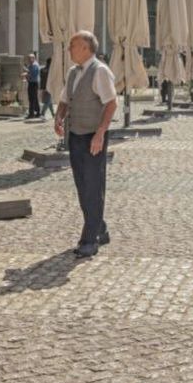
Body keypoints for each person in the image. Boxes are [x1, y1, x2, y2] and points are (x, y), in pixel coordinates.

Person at [55, 31, 118, 258]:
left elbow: (111, 104)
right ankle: (100, 228)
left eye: (73, 45)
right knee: (82, 186)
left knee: (93, 186)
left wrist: (100, 133)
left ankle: (90, 240)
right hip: (75, 135)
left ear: (85, 48)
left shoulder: (100, 71)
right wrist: (58, 117)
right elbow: (65, 99)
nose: (69, 49)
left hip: (93, 136)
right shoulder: (73, 72)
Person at [25, 53, 41, 118]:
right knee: (34, 98)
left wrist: (26, 75)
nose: (28, 59)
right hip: (31, 83)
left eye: (30, 58)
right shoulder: (30, 65)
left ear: (33, 58)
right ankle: (37, 112)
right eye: (28, 58)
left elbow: (33, 74)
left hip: (34, 83)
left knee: (32, 98)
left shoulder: (35, 65)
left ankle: (31, 113)